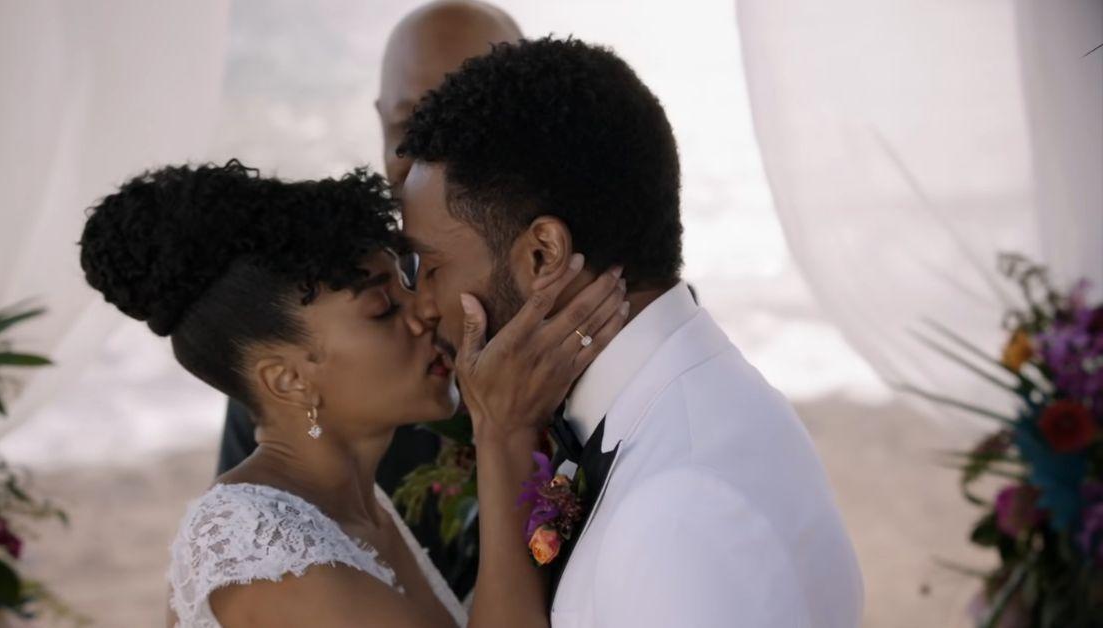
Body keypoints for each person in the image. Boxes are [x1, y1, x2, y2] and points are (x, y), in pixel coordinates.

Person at [397, 36, 865, 627]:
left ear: (543, 255)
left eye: (430, 267)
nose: (421, 307)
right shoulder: (689, 401)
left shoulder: (680, 511)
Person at [79, 160, 625, 626]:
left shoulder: (355, 510)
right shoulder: (265, 551)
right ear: (288, 379)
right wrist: (503, 431)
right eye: (384, 309)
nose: (425, 310)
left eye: (409, 282)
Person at [213, 1, 520, 593]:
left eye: (475, 127)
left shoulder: (601, 318)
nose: (441, 164)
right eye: (412, 130)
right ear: (381, 124)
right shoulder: (302, 328)